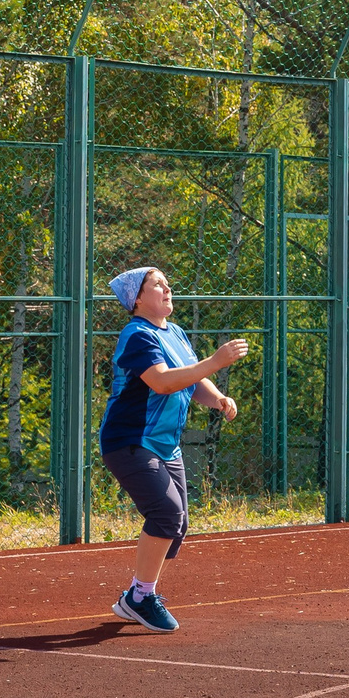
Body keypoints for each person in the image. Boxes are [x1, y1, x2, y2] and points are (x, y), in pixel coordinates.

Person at [100, 267, 247, 634]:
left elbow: (192, 378)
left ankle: (135, 594)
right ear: (137, 298)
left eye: (167, 284)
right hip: (130, 440)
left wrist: (217, 398)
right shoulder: (137, 335)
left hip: (166, 444)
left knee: (176, 526)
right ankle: (141, 597)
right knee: (166, 513)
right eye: (158, 285)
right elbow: (163, 382)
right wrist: (215, 361)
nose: (167, 289)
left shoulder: (176, 333)